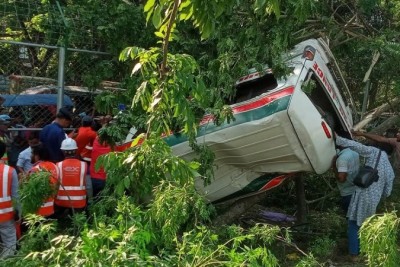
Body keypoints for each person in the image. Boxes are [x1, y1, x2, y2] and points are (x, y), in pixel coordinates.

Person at [335, 134, 395, 260]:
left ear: (379, 145)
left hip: (362, 195)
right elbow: (387, 192)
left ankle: (354, 255)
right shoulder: (390, 169)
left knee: (353, 223)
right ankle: (365, 252)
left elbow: (357, 146)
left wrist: (338, 138)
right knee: (365, 224)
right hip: (374, 200)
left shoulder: (375, 152)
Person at [55, 138, 90, 213]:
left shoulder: (58, 165)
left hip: (61, 202)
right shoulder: (84, 165)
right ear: (76, 150)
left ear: (63, 151)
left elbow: (55, 185)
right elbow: (89, 186)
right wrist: (90, 200)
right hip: (80, 202)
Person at [0, 141, 20, 258]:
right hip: (5, 215)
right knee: (9, 243)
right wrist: (18, 214)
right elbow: (15, 195)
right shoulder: (10, 171)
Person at [29, 144, 59, 217]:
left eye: (32, 154)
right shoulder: (54, 166)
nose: (30, 156)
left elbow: (30, 190)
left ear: (37, 156)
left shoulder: (35, 169)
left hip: (38, 209)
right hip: (51, 207)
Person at [333, 147, 359, 213]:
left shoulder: (342, 158)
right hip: (357, 190)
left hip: (347, 193)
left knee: (350, 219)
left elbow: (342, 179)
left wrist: (334, 166)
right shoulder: (355, 152)